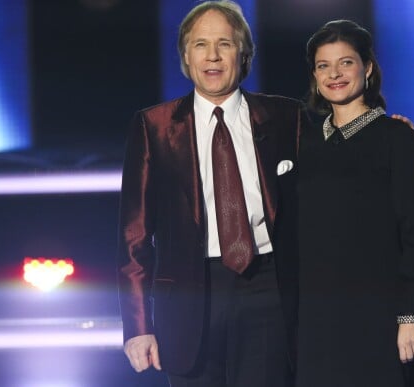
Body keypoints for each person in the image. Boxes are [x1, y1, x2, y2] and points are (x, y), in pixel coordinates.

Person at [117, 1, 304, 386]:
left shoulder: (287, 117)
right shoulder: (153, 126)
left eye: (225, 43)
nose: (213, 56)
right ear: (186, 56)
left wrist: (387, 128)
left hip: (267, 290)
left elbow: (343, 151)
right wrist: (137, 325)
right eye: (201, 44)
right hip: (187, 299)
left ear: (244, 53)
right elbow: (134, 235)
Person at [296, 20, 414, 387]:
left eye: (346, 62)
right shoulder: (303, 143)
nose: (334, 74)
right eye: (323, 65)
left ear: (368, 68)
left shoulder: (396, 139)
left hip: (376, 315)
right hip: (314, 320)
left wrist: (410, 315)